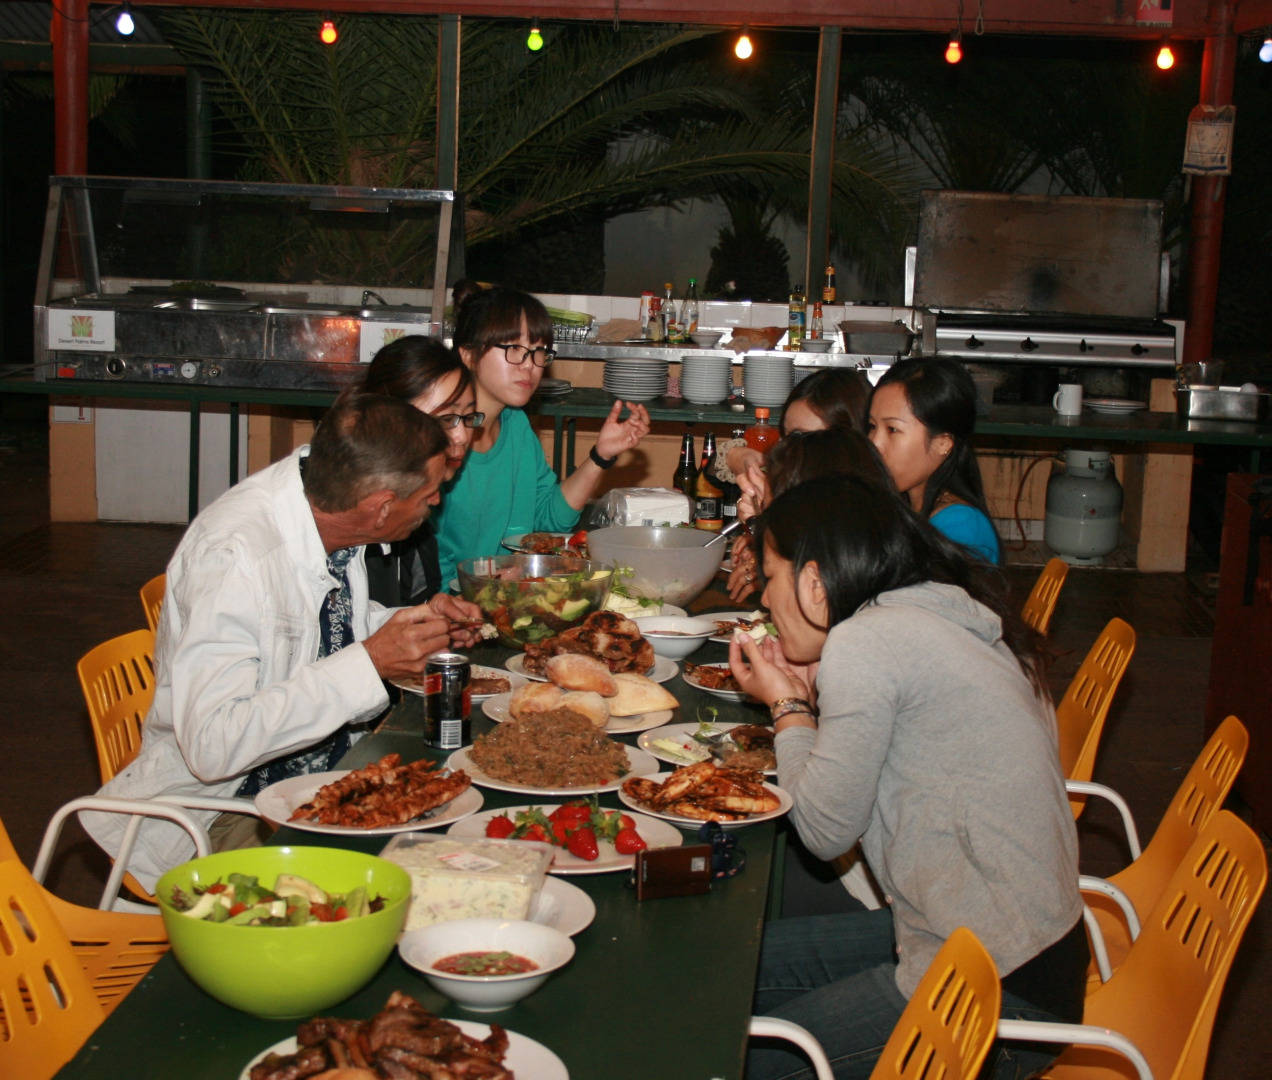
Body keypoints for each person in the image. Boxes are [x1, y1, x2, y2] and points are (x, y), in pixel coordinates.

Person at [731, 475, 1085, 1080]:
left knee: (734, 1062)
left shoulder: (868, 642)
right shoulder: (924, 609)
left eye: (770, 576)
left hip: (998, 991)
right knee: (727, 970)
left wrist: (787, 707)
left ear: (814, 581)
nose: (764, 599)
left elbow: (822, 830)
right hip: (1008, 944)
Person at [83, 394, 483, 889]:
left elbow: (313, 628)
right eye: (428, 496)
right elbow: (213, 746)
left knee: (468, 821)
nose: (436, 503)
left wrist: (414, 622)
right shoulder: (235, 559)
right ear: (380, 508)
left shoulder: (326, 506)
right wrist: (370, 663)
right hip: (223, 810)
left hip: (320, 774)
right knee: (422, 879)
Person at [432, 283, 652, 584]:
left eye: (538, 352)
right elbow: (428, 564)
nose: (530, 366)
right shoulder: (440, 438)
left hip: (507, 597)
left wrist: (601, 456)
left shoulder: (516, 425)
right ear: (469, 355)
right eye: (514, 350)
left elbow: (549, 519)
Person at [722, 368, 872, 601]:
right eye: (786, 435)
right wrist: (738, 456)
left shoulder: (863, 510)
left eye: (802, 437)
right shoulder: (810, 488)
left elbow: (828, 589)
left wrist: (764, 528)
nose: (788, 448)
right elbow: (714, 469)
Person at [359, 335, 479, 606]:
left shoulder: (420, 502)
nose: (461, 436)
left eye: (469, 418)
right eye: (446, 419)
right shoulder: (356, 514)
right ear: (388, 417)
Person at [868, 356, 1001, 563]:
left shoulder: (960, 527)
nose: (874, 444)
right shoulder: (905, 508)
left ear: (943, 443)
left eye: (892, 429)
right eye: (872, 426)